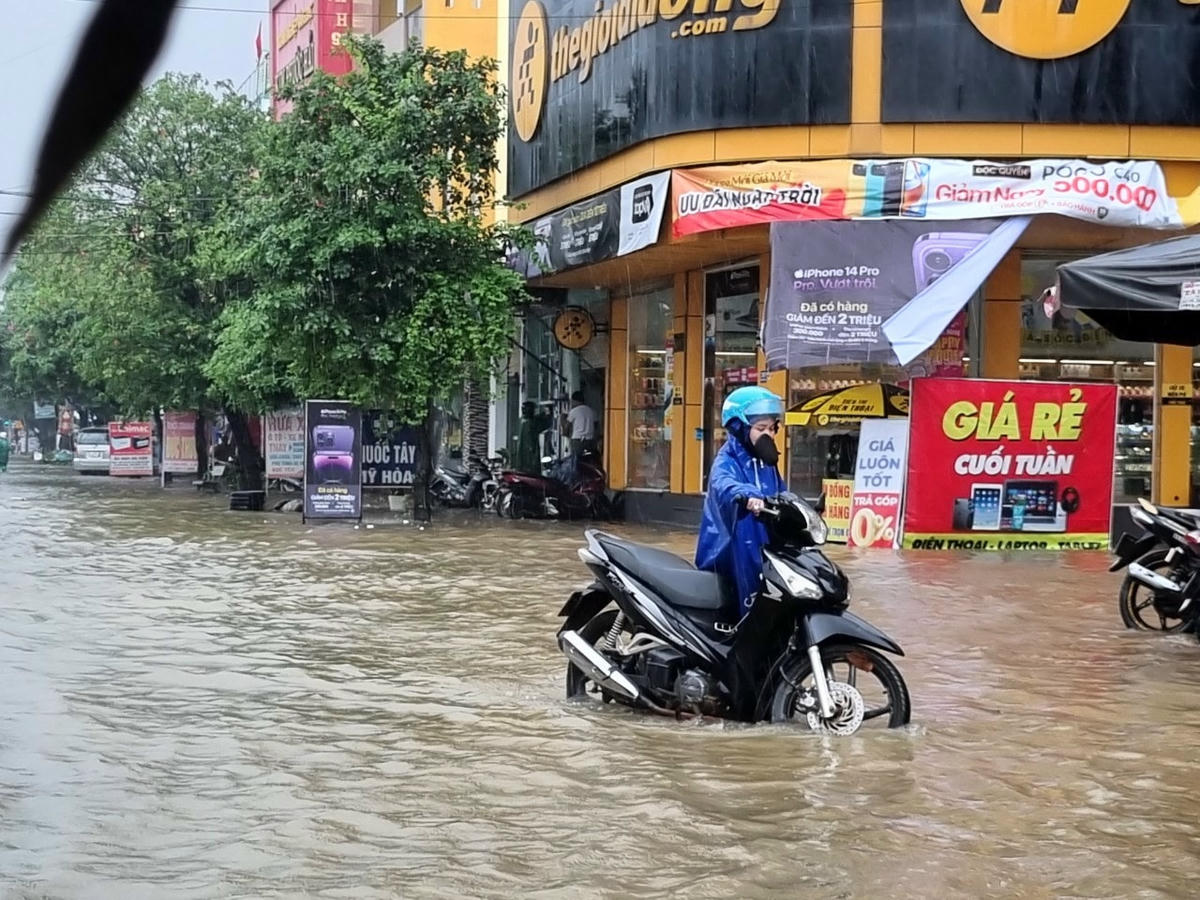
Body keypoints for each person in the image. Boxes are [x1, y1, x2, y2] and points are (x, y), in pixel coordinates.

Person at [695, 386, 786, 617]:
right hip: (730, 550)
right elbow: (723, 483)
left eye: (773, 428)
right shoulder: (726, 460)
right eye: (761, 428)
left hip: (764, 546)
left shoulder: (767, 464)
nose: (769, 435)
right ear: (740, 428)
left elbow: (782, 494)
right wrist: (747, 495)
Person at [515, 400, 551, 475]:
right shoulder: (530, 423)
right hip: (530, 456)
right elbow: (543, 424)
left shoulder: (523, 421)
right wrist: (548, 413)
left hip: (525, 457)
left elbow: (538, 419)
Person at [564, 390, 597, 457]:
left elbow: (567, 427)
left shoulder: (573, 411)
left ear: (575, 401)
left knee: (576, 461)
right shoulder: (592, 411)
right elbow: (596, 425)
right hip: (590, 440)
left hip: (577, 440)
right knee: (590, 460)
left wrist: (562, 420)